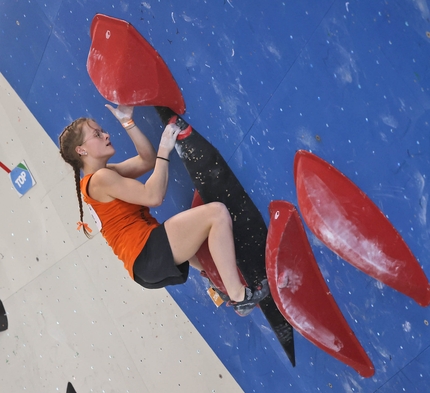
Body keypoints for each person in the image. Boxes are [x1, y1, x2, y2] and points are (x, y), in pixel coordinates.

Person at [59, 105, 269, 316]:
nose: (106, 134)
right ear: (81, 150)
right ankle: (239, 296)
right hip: (147, 254)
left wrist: (128, 123)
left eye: (102, 130)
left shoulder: (101, 176)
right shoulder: (100, 179)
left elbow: (147, 161)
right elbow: (153, 196)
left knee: (199, 236)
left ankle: (216, 282)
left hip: (144, 263)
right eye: (97, 134)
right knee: (217, 214)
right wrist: (164, 148)